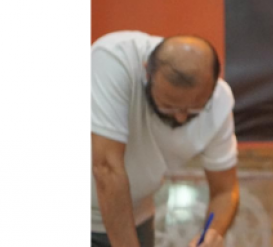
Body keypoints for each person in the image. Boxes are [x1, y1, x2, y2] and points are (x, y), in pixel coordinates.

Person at [91, 31, 240, 247]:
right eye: (168, 106)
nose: (181, 117)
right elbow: (106, 168)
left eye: (194, 109)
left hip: (136, 215)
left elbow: (225, 191)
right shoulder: (113, 58)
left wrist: (212, 232)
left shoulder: (219, 102)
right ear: (147, 75)